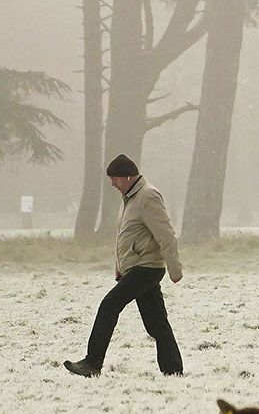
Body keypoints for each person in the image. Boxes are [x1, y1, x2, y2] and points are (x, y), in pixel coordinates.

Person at [64, 154, 184, 377]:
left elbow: (166, 234)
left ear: (128, 176)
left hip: (146, 268)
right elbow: (128, 237)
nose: (112, 184)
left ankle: (92, 363)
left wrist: (174, 269)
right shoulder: (131, 199)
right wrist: (121, 267)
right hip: (137, 267)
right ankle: (173, 369)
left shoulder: (148, 197)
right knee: (156, 322)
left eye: (115, 179)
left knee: (109, 305)